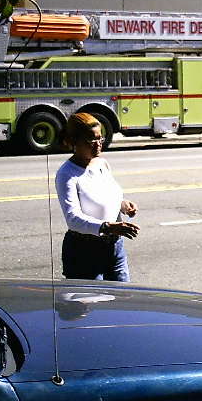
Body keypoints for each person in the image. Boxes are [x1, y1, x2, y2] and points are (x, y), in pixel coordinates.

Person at [55, 112, 139, 281]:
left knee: (121, 300)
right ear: (74, 141)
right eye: (91, 140)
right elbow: (73, 219)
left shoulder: (102, 163)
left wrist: (123, 205)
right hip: (84, 252)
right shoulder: (67, 174)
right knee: (89, 304)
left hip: (115, 246)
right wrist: (107, 227)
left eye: (100, 138)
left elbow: (105, 197)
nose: (98, 144)